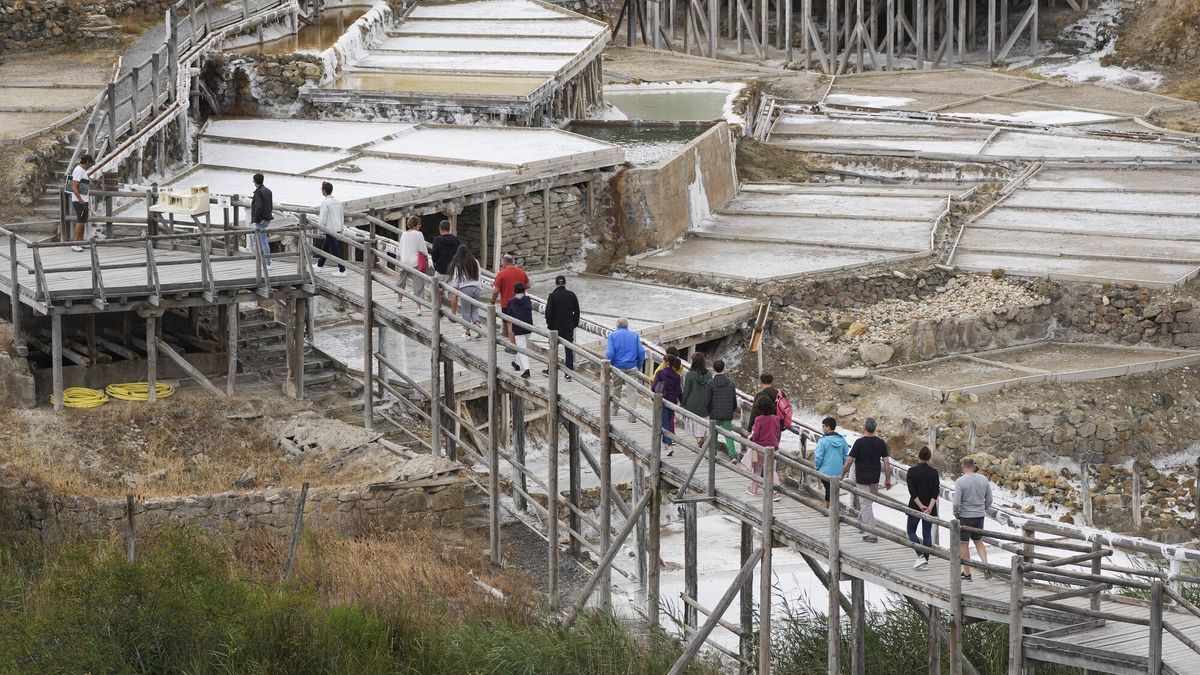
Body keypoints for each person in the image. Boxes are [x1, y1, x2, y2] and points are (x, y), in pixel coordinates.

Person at [839, 418, 892, 543]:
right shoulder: (880, 443)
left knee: (866, 504)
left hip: (862, 479)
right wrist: (888, 479)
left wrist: (842, 475)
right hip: (875, 479)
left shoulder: (859, 443)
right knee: (867, 503)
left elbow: (849, 461)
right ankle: (862, 523)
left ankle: (872, 534)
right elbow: (886, 462)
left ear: (864, 427)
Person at [954, 457, 993, 581]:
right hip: (979, 515)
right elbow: (989, 499)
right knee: (978, 540)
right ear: (973, 465)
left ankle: (967, 573)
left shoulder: (960, 481)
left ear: (963, 466)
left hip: (965, 516)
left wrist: (956, 513)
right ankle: (985, 565)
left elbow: (956, 502)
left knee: (964, 544)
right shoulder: (983, 479)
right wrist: (983, 508)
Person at [605, 318, 645, 422]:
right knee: (631, 391)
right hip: (631, 367)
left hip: (617, 367)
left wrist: (611, 364)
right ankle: (632, 416)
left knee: (616, 387)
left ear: (617, 325)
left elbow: (610, 353)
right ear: (627, 325)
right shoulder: (635, 335)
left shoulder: (612, 336)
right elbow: (641, 352)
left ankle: (614, 410)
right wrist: (639, 365)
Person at [907, 446, 940, 569]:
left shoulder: (912, 471)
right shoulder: (934, 472)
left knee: (911, 531)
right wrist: (929, 508)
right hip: (930, 507)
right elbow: (935, 491)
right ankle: (925, 559)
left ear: (918, 456)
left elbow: (912, 491)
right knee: (927, 534)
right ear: (929, 457)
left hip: (915, 506)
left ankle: (920, 556)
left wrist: (920, 506)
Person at [542, 275, 580, 380]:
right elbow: (577, 312)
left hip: (556, 327)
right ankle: (568, 374)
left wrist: (551, 326)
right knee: (569, 349)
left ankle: (550, 370)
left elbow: (548, 313)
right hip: (568, 326)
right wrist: (574, 324)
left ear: (556, 284)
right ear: (565, 283)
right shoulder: (571, 295)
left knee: (553, 348)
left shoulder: (552, 296)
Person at [490, 254, 530, 348]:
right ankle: (521, 344)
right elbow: (528, 285)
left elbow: (496, 290)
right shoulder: (521, 272)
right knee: (520, 323)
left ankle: (512, 346)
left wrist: (493, 300)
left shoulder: (501, 273)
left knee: (510, 323)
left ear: (505, 261)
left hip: (507, 302)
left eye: (501, 261)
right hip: (521, 301)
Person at [747, 396, 782, 499]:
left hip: (760, 447)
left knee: (757, 469)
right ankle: (776, 492)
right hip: (773, 447)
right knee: (772, 470)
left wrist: (752, 437)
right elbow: (777, 432)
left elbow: (756, 434)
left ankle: (753, 490)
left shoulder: (759, 419)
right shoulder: (776, 418)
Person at [448, 245, 483, 339]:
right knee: (475, 310)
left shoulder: (458, 264)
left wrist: (455, 289)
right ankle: (478, 326)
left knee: (466, 311)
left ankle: (467, 332)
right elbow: (479, 275)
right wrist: (479, 286)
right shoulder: (475, 262)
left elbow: (456, 280)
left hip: (465, 289)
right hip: (477, 289)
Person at [705, 359, 738, 459]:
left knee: (713, 434)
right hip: (727, 413)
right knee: (728, 435)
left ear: (714, 369)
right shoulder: (731, 383)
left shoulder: (711, 383)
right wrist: (731, 410)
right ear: (724, 368)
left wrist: (710, 411)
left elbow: (707, 401)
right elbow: (734, 401)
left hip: (714, 413)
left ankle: (713, 454)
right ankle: (732, 456)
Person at [813, 416, 849, 507]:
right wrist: (843, 467)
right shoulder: (842, 440)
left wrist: (817, 467)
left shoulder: (823, 440)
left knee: (828, 488)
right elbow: (846, 455)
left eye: (823, 426)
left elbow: (818, 457)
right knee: (832, 489)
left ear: (828, 427)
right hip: (838, 471)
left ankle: (828, 507)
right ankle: (829, 506)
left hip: (825, 471)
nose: (822, 428)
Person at [651, 354, 683, 455]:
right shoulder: (677, 376)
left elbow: (653, 387)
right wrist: (682, 401)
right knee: (669, 420)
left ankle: (669, 445)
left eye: (664, 361)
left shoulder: (660, 373)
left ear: (667, 362)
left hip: (662, 400)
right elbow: (679, 391)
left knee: (664, 422)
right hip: (672, 401)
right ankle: (665, 442)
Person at [397, 215, 428, 315]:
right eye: (419, 224)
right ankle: (418, 308)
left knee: (402, 281)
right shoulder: (419, 234)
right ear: (415, 225)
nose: (420, 226)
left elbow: (400, 248)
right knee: (418, 284)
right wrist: (427, 258)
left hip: (404, 260)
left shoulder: (404, 234)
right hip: (415, 262)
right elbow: (423, 250)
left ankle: (399, 302)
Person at [314, 181, 346, 276]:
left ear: (324, 191)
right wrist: (341, 227)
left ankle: (342, 269)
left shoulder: (325, 203)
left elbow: (322, 218)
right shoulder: (338, 202)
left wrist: (319, 229)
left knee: (335, 249)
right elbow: (341, 216)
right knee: (326, 247)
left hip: (329, 229)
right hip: (337, 228)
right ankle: (320, 265)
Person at [680, 352, 711, 449]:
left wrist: (683, 403)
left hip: (692, 404)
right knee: (704, 423)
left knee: (694, 423)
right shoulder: (709, 374)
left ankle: (698, 439)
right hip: (705, 404)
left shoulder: (690, 375)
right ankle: (703, 438)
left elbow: (686, 391)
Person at [505, 282, 534, 378]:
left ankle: (527, 370)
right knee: (522, 345)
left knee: (521, 348)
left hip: (518, 328)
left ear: (514, 291)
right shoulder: (528, 299)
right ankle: (517, 363)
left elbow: (508, 314)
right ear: (524, 290)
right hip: (529, 327)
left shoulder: (511, 302)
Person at [65, 154, 94, 252]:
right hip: (79, 201)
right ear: (87, 162)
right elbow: (74, 186)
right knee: (80, 221)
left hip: (83, 200)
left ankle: (81, 243)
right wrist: (80, 199)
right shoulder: (78, 170)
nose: (90, 165)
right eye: (90, 163)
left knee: (83, 222)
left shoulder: (82, 171)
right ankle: (75, 243)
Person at [430, 220, 461, 309]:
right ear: (449, 228)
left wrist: (436, 266)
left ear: (440, 229)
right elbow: (459, 254)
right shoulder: (456, 240)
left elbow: (434, 255)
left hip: (441, 270)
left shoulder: (437, 240)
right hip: (453, 270)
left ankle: (438, 311)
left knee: (437, 291)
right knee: (453, 293)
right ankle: (453, 314)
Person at [250, 173, 274, 267]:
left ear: (255, 182)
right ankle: (265, 260)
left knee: (262, 240)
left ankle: (268, 263)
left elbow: (259, 207)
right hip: (267, 218)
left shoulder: (258, 192)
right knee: (259, 239)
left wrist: (257, 219)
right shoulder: (268, 191)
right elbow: (270, 206)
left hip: (261, 219)